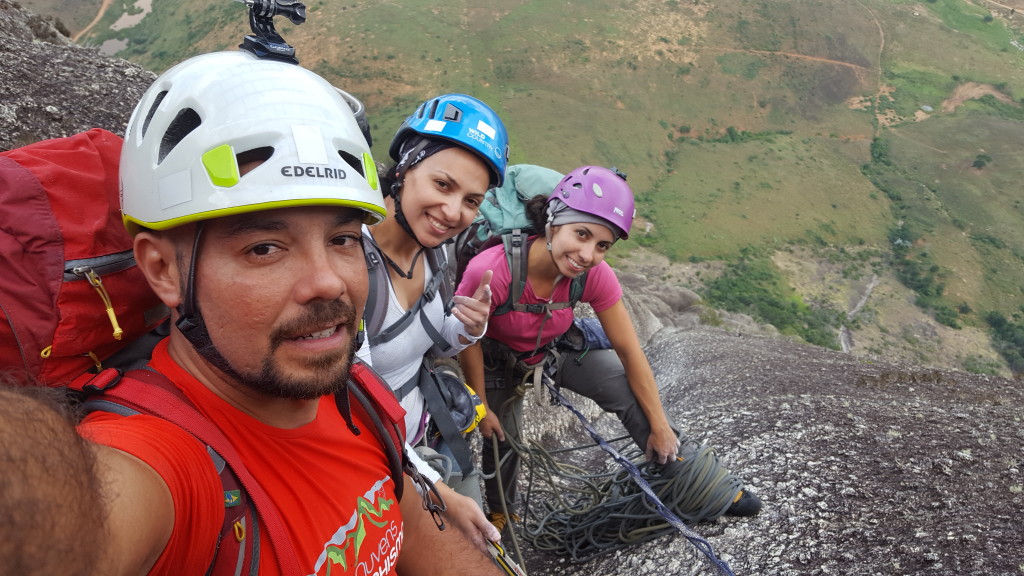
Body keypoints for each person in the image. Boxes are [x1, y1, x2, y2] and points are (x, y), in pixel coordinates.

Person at [0, 50, 506, 576]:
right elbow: (60, 522)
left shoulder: (350, 387)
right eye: (264, 247)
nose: (328, 281)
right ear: (164, 271)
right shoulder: (167, 467)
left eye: (342, 238)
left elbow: (407, 520)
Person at [456, 166, 762, 531]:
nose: (587, 254)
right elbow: (470, 338)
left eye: (602, 245)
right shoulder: (493, 269)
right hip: (497, 359)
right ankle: (501, 511)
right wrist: (482, 405)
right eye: (581, 234)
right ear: (553, 222)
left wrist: (661, 426)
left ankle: (695, 478)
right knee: (503, 438)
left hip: (556, 349)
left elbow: (630, 351)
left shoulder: (594, 275)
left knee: (627, 391)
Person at [356, 93, 507, 533]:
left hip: (429, 430)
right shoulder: (349, 264)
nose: (453, 212)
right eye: (443, 185)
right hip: (381, 458)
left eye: (471, 201)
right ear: (404, 168)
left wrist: (466, 329)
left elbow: (432, 342)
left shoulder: (437, 253)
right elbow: (360, 404)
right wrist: (436, 489)